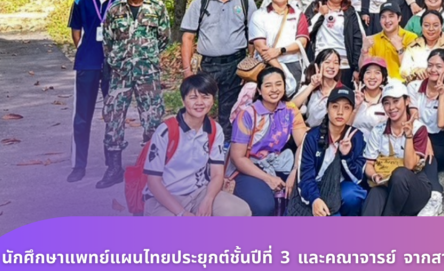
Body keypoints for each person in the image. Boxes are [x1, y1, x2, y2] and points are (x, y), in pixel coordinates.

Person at [98, 0, 171, 189]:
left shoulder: (156, 7)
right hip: (120, 74)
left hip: (147, 73)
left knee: (152, 120)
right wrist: (118, 60)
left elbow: (164, 38)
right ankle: (113, 169)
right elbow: (107, 41)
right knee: (113, 118)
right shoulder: (115, 9)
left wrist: (145, 56)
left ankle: (152, 170)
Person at [143, 74, 252, 216]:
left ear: (213, 100)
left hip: (199, 193)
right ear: (183, 100)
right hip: (165, 196)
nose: (200, 102)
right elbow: (153, 182)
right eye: (193, 97)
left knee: (240, 211)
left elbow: (217, 174)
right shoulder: (166, 131)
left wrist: (208, 199)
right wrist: (182, 213)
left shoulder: (215, 129)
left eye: (206, 97)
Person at [181, 0, 256, 139]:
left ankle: (224, 153)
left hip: (236, 65)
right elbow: (188, 37)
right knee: (199, 108)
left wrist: (251, 69)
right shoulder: (201, 2)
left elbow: (253, 37)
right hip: (207, 65)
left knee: (230, 113)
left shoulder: (245, 1)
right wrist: (187, 70)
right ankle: (195, 148)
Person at [67, 0, 125, 183]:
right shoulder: (81, 0)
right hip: (88, 63)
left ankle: (113, 166)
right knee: (82, 116)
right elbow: (76, 31)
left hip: (115, 65)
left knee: (114, 116)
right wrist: (86, 49)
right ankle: (78, 165)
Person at [228, 67, 307, 216]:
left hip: (279, 163)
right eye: (268, 85)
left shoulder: (290, 110)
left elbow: (304, 143)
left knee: (302, 194)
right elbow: (237, 157)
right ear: (259, 89)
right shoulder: (247, 115)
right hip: (249, 168)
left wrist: (295, 172)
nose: (274, 89)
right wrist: (268, 178)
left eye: (278, 84)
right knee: (264, 206)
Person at [290, 86, 367, 217]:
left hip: (338, 187)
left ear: (352, 111)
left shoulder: (356, 136)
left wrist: (345, 156)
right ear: (327, 108)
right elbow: (305, 175)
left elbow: (357, 178)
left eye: (346, 107)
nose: (340, 112)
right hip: (313, 189)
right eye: (335, 106)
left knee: (353, 195)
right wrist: (314, 199)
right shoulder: (312, 137)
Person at [361, 80, 433, 216]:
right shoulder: (378, 130)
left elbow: (409, 165)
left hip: (414, 186)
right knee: (375, 193)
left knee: (400, 174)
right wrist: (374, 175)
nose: (391, 107)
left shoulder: (419, 129)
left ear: (407, 101)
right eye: (386, 103)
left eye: (395, 101)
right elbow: (369, 164)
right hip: (386, 182)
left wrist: (409, 136)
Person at [407, 48, 444, 216]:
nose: (433, 70)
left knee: (430, 155)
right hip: (417, 135)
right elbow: (413, 117)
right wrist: (425, 140)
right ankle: (433, 192)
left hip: (439, 141)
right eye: (430, 65)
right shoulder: (414, 87)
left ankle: (435, 195)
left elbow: (442, 123)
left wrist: (441, 95)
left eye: (439, 66)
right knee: (422, 150)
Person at [249, 0, 310, 90]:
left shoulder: (298, 14)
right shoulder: (259, 15)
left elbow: (302, 42)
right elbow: (260, 46)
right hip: (267, 65)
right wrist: (281, 73)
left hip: (293, 65)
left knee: (292, 105)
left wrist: (279, 50)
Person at [306, 0, 363, 87]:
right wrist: (320, 14)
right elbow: (307, 32)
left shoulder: (350, 11)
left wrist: (356, 67)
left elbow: (357, 40)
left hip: (344, 64)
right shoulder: (315, 6)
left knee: (342, 98)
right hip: (321, 62)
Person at [358, 1, 416, 80]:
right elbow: (363, 70)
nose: (387, 20)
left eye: (391, 16)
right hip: (380, 85)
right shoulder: (372, 40)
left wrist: (400, 49)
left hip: (403, 84)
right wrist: (364, 51)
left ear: (399, 18)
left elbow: (412, 69)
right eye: (383, 17)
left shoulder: (411, 37)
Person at [400, 10, 444, 82]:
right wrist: (415, 71)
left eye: (435, 25)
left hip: (441, 88)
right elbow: (404, 72)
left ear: (442, 26)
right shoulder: (413, 46)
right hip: (415, 88)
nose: (431, 29)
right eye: (426, 25)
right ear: (421, 26)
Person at [292, 49, 344, 128]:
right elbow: (291, 107)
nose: (332, 66)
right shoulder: (309, 88)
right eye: (327, 62)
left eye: (336, 63)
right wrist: (312, 86)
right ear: (318, 66)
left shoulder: (342, 91)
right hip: (308, 134)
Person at [351, 57, 387, 136]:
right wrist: (356, 107)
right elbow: (343, 126)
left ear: (383, 77)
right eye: (368, 72)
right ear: (362, 76)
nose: (372, 77)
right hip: (354, 144)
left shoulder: (388, 98)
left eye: (377, 73)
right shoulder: (352, 96)